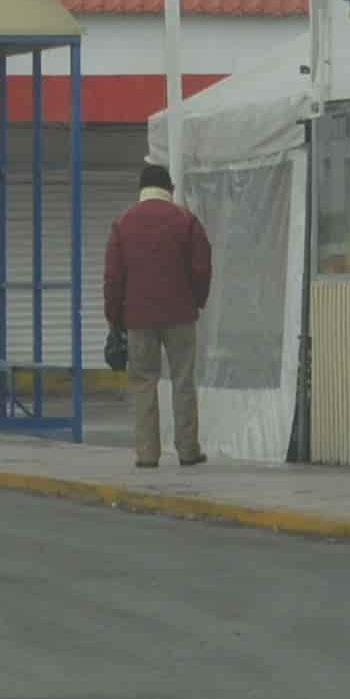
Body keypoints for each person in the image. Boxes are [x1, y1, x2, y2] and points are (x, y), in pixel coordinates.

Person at [102, 161, 216, 469]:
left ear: (140, 189)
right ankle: (188, 450)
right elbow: (202, 267)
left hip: (138, 319)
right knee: (182, 381)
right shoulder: (186, 220)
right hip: (180, 315)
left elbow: (113, 278)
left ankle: (147, 454)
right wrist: (196, 301)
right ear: (170, 189)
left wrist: (114, 317)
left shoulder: (123, 223)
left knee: (142, 382)